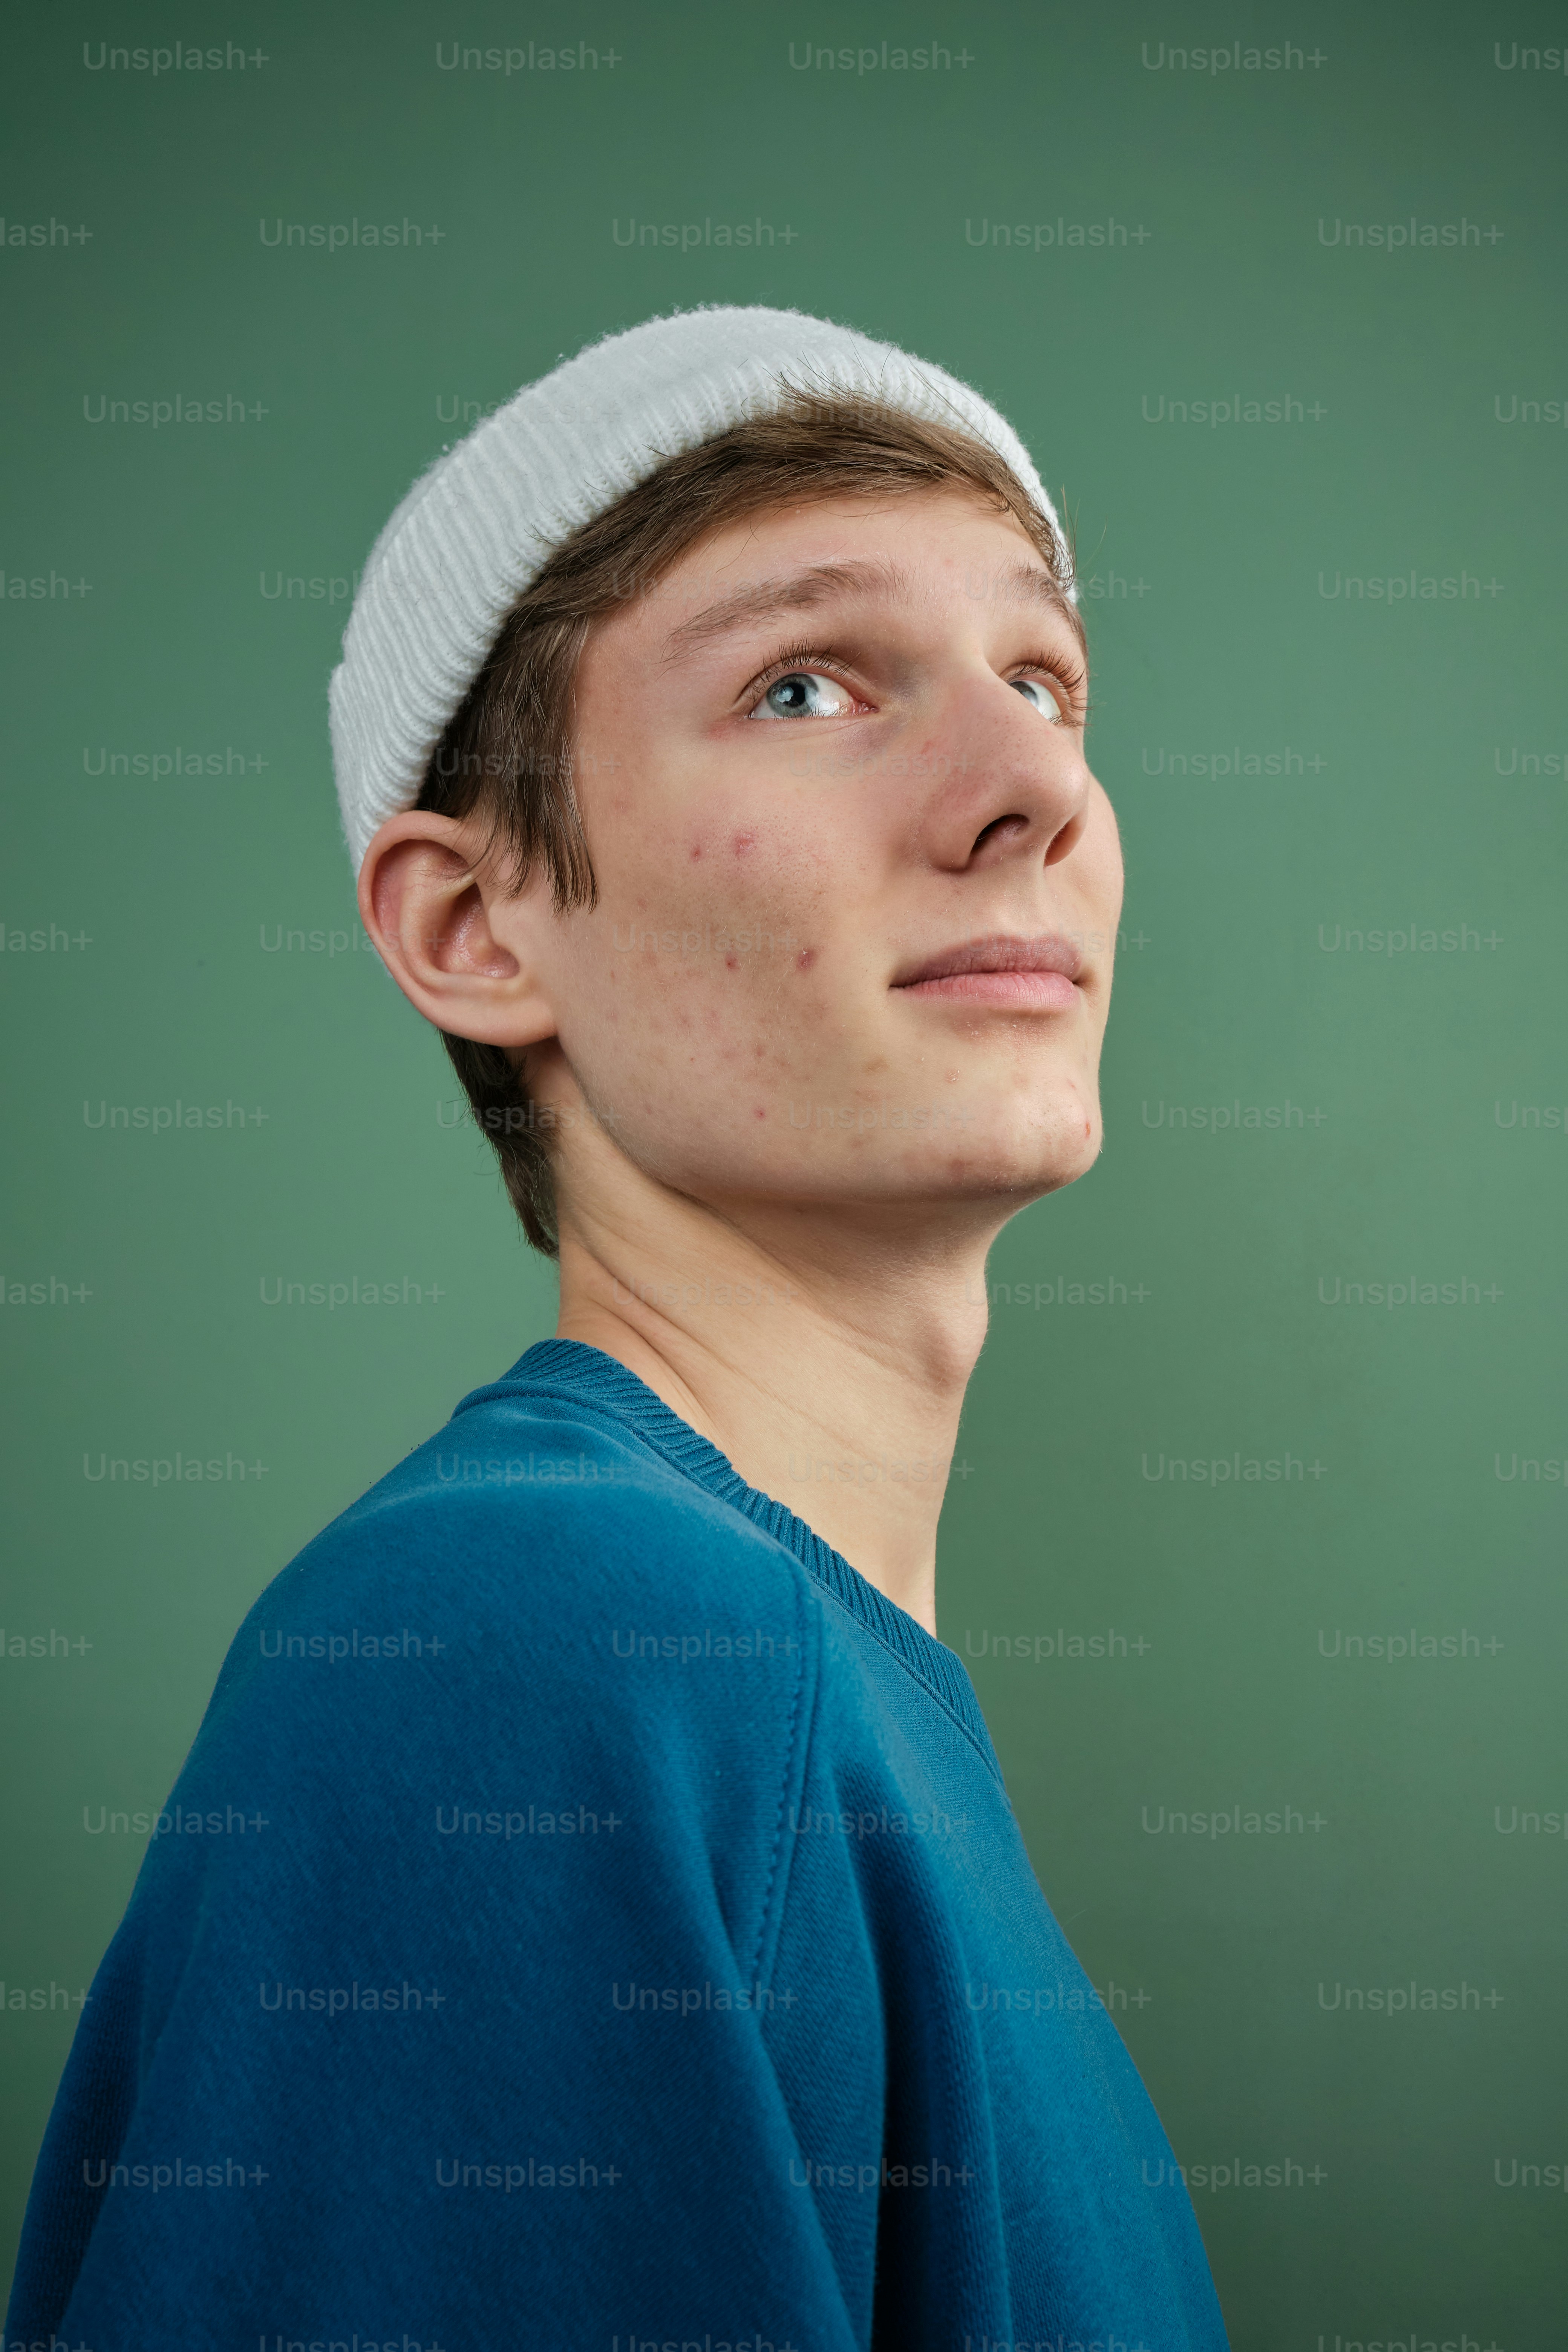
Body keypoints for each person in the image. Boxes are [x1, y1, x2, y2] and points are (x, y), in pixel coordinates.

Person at [8, 308, 1229, 2349]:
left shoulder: (794, 1699)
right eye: (807, 682)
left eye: (1043, 678)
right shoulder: (547, 1647)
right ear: (475, 929)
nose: (1034, 786)